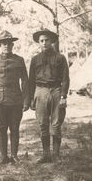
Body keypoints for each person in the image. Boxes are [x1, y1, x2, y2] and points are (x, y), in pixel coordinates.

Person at [0, 31, 29, 164]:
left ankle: (14, 156)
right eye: (3, 43)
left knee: (15, 128)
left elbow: (25, 81)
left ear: (12, 45)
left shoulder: (19, 60)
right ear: (0, 45)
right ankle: (4, 157)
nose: (6, 46)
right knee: (2, 128)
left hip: (16, 99)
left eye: (9, 43)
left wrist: (26, 101)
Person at [29, 28, 70, 163]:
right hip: (40, 91)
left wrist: (63, 96)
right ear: (39, 43)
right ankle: (46, 154)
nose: (44, 43)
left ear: (52, 41)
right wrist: (31, 98)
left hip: (56, 91)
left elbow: (65, 78)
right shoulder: (35, 60)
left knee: (56, 124)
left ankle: (56, 154)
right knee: (42, 124)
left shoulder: (60, 58)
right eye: (41, 41)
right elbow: (30, 81)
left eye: (47, 40)